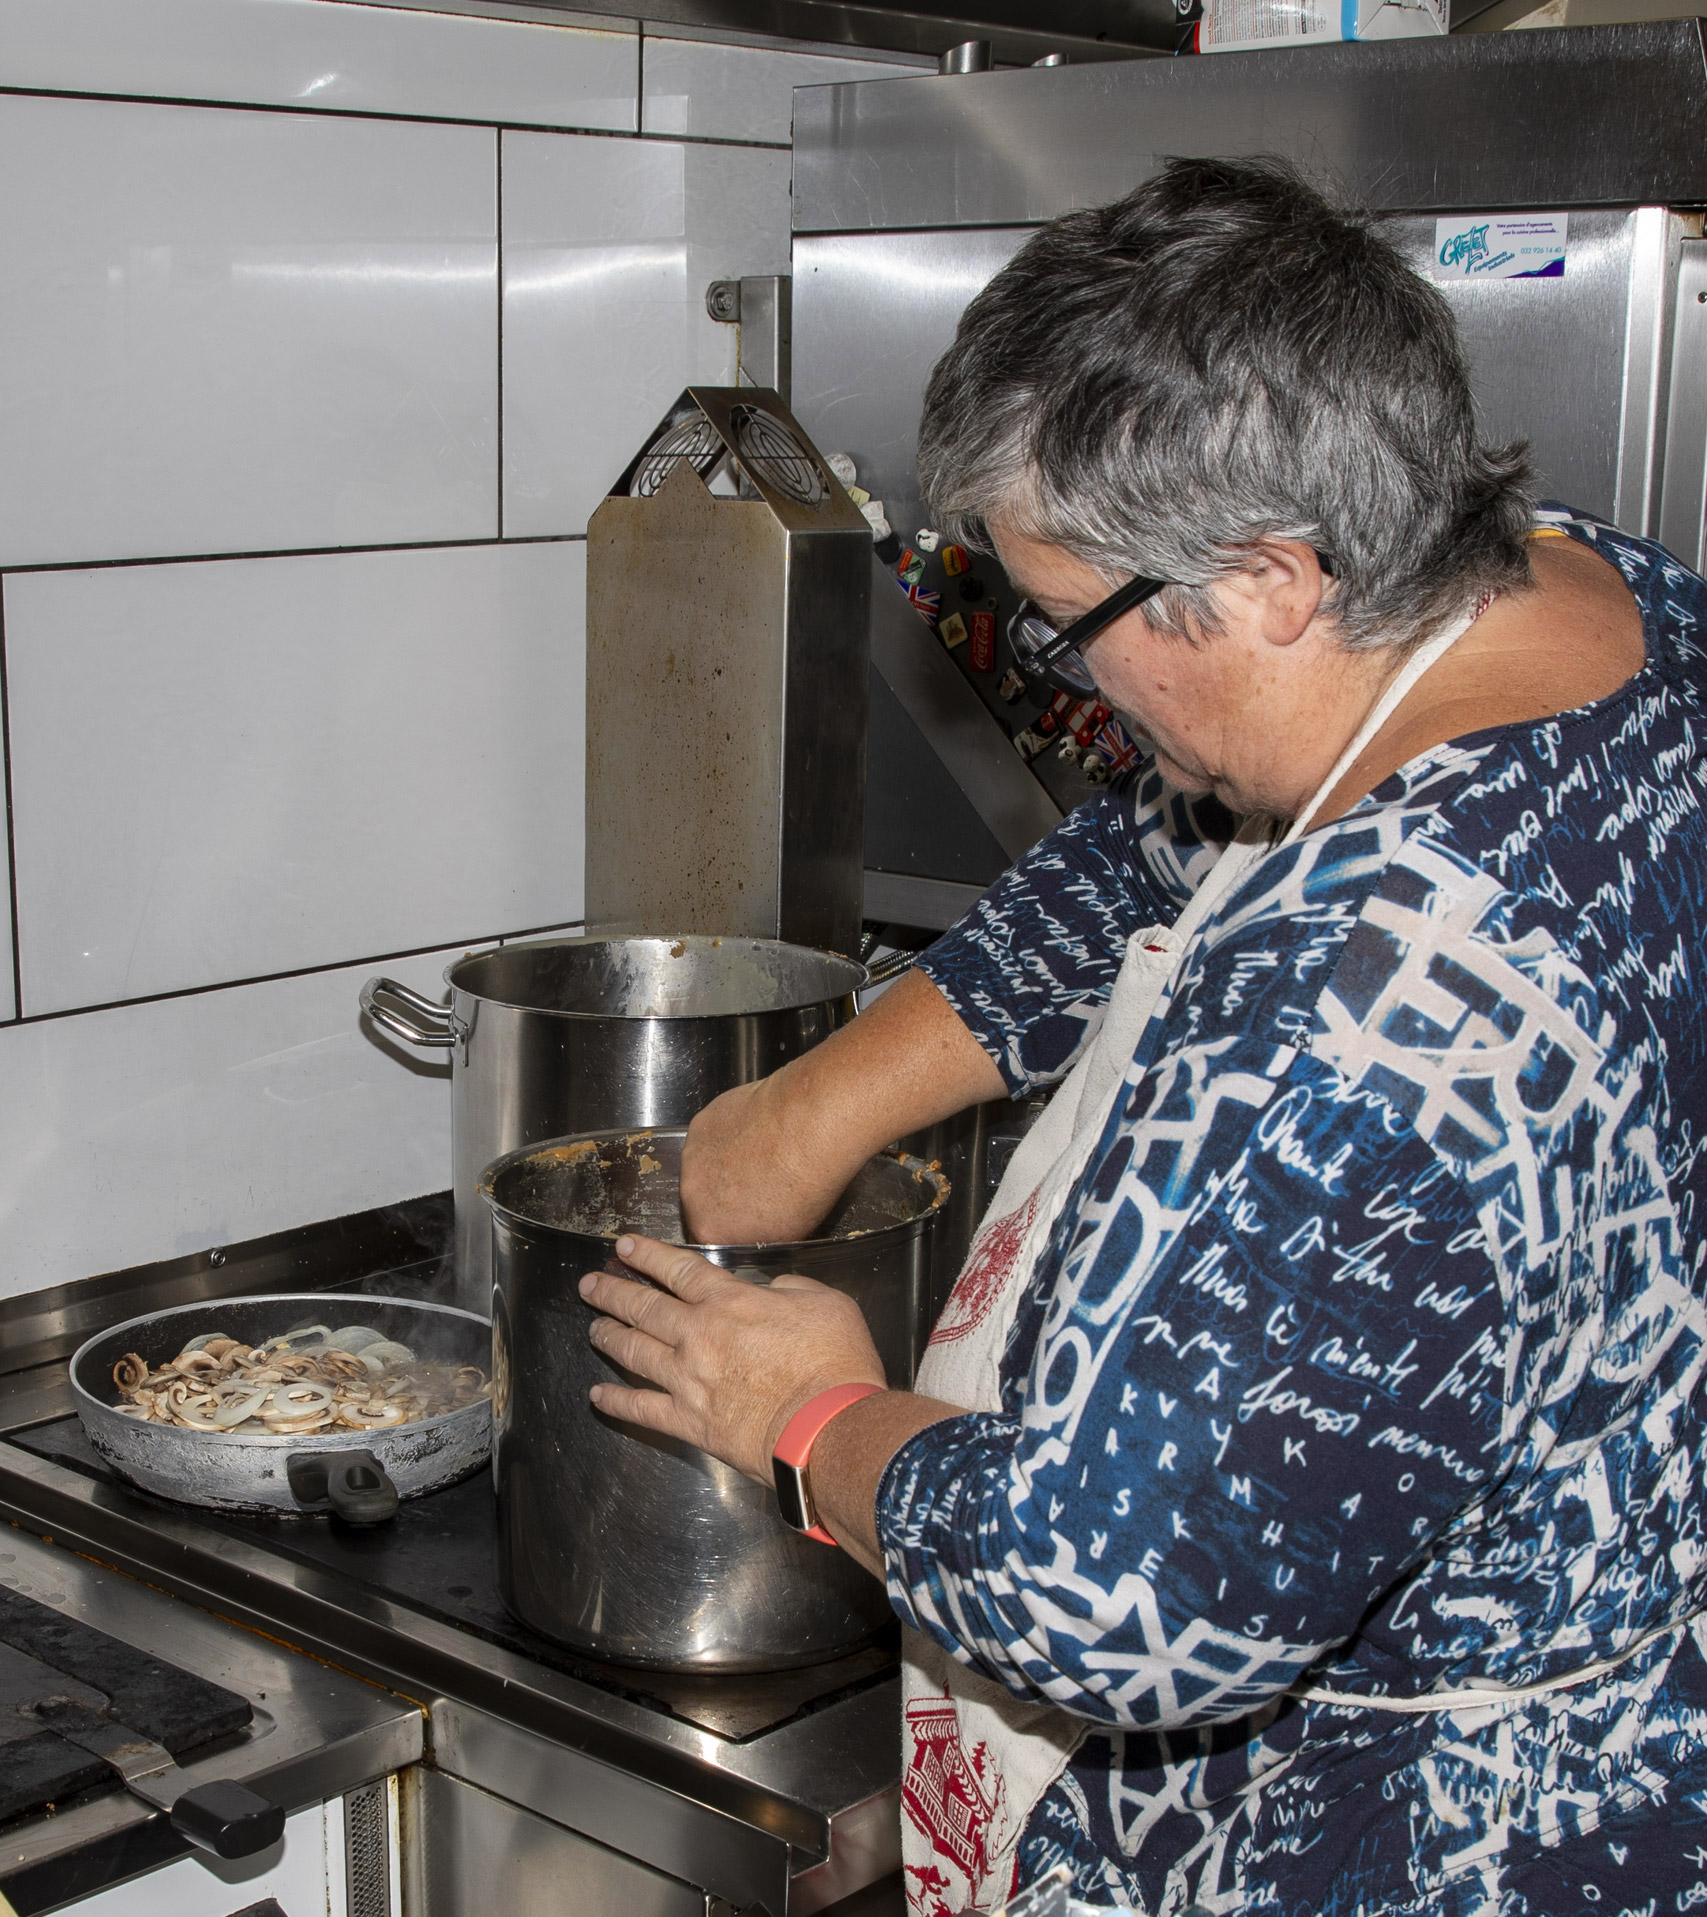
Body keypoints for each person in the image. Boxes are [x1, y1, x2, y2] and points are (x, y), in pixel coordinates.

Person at [576, 157, 1707, 1915]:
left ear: (1269, 578)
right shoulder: (1589, 600)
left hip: (1396, 1843)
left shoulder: (1365, 1015)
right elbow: (1170, 826)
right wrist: (826, 1101)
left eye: (1066, 622)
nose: (1072, 680)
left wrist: (806, 1410)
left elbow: (1112, 1603)